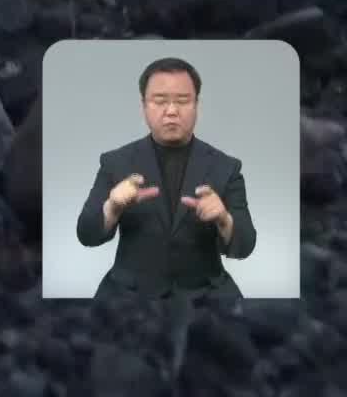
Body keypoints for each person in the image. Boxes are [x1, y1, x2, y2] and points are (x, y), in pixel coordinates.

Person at [74, 56, 257, 297]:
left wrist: (224, 219)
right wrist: (112, 207)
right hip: (129, 293)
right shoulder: (115, 162)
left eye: (183, 101)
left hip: (205, 293)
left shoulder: (226, 167)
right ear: (144, 105)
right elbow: (86, 235)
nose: (171, 111)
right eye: (159, 101)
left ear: (196, 105)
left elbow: (245, 246)